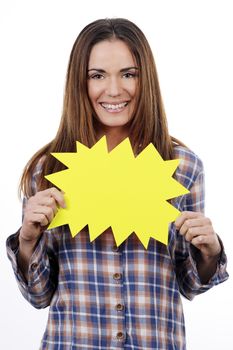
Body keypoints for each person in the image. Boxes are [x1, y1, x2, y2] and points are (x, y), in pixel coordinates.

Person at [6, 18, 228, 349]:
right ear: (79, 83)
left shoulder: (182, 167)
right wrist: (27, 240)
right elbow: (39, 295)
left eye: (129, 74)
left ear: (145, 79)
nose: (114, 90)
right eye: (97, 75)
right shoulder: (49, 170)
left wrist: (210, 252)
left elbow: (190, 285)